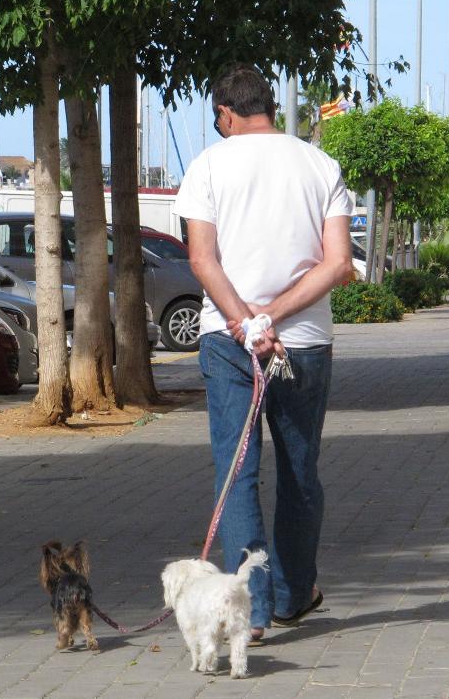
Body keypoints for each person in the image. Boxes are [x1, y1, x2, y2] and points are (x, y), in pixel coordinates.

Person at [173, 65, 354, 641]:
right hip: (303, 342)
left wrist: (246, 322)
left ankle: (249, 616)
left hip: (229, 344)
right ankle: (294, 597)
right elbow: (339, 264)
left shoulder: (207, 165)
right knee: (300, 474)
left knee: (237, 473)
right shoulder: (320, 164)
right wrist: (271, 319)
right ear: (269, 107)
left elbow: (203, 260)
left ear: (225, 113)